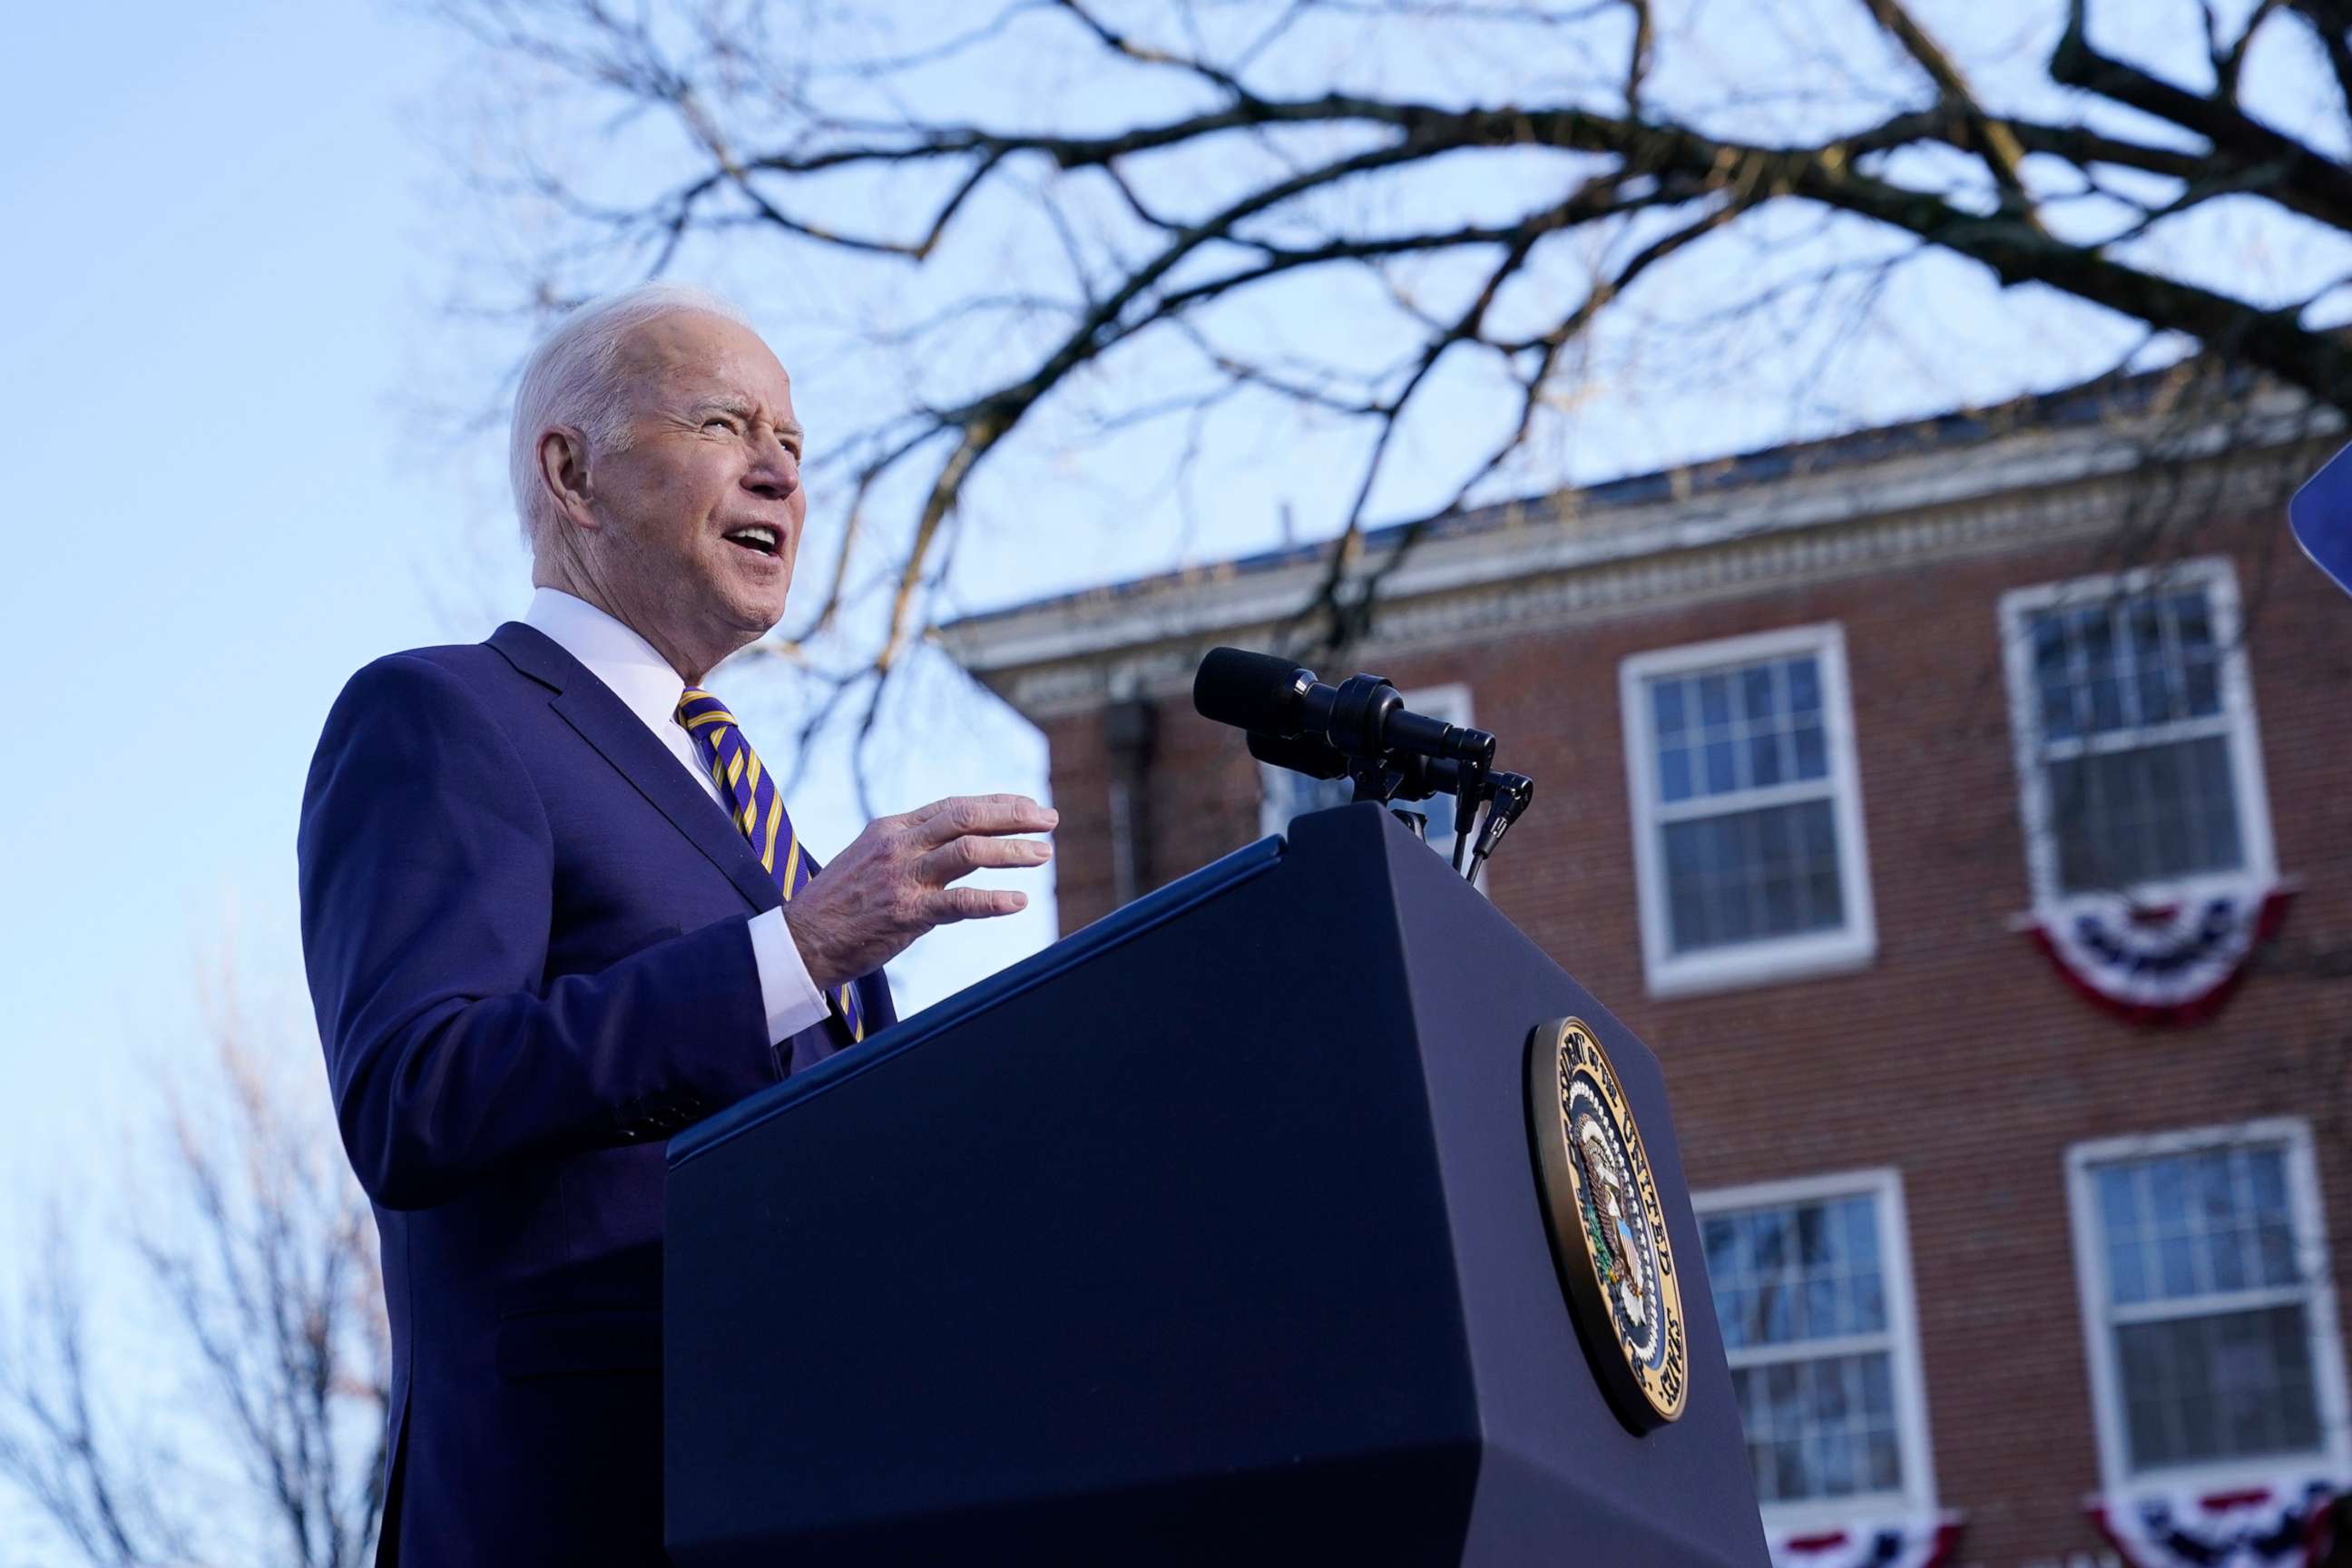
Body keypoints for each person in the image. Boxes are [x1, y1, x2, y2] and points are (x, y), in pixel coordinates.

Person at [296, 284, 1056, 1565]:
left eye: (796, 447)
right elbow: (415, 1093)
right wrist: (797, 954)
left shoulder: (761, 822)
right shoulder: (446, 716)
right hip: (580, 1504)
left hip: (813, 1490)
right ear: (573, 471)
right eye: (724, 423)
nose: (781, 474)